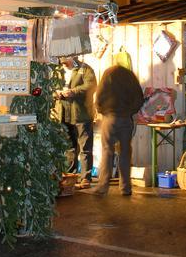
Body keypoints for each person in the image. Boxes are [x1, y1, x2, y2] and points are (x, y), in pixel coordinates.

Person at [92, 62, 144, 195]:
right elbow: (139, 98)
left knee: (107, 151)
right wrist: (131, 112)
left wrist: (102, 110)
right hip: (126, 118)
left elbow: (99, 96)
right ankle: (125, 188)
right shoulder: (130, 76)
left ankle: (103, 186)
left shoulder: (108, 74)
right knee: (125, 152)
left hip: (110, 117)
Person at [53, 56, 96, 189]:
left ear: (72, 56)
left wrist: (73, 92)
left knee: (85, 148)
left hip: (82, 114)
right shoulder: (58, 70)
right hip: (63, 114)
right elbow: (51, 86)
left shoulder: (85, 69)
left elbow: (91, 86)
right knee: (69, 147)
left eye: (63, 56)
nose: (61, 59)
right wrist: (57, 93)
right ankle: (70, 177)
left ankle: (85, 178)